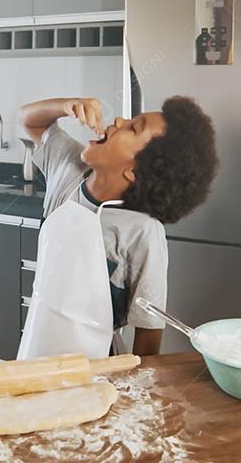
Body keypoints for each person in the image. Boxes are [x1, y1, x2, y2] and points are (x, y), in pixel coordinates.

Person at [19, 97, 218, 355]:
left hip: (97, 365)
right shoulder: (67, 168)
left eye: (133, 128)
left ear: (134, 171)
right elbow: (29, 120)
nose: (119, 120)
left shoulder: (143, 232)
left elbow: (148, 334)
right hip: (35, 348)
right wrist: (66, 106)